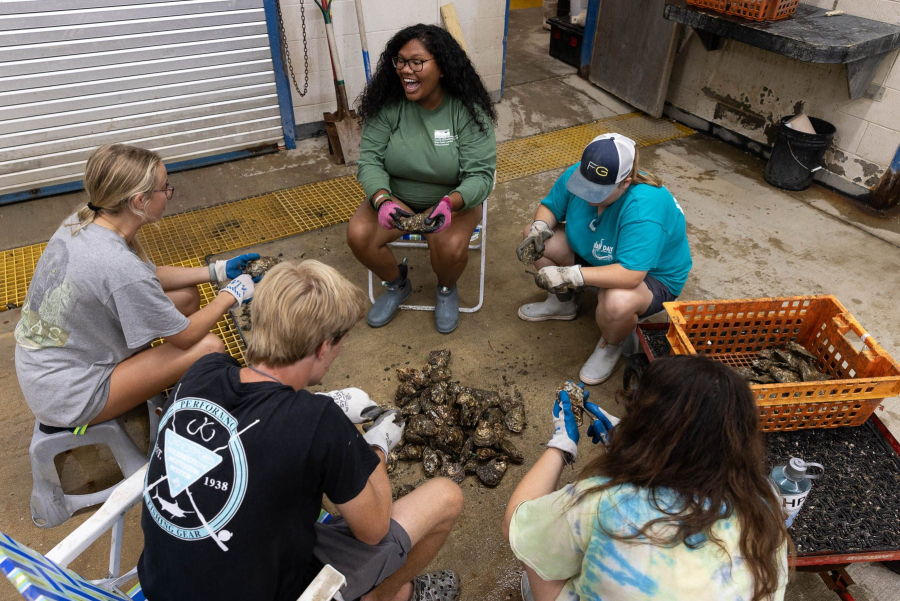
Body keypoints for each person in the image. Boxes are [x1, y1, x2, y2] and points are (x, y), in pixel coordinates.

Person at [139, 260, 464, 601]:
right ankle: (384, 596)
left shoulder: (201, 372)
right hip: (274, 590)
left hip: (164, 585)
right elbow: (373, 529)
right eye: (340, 344)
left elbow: (252, 414)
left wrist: (327, 405)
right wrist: (376, 448)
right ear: (324, 346)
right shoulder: (318, 421)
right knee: (445, 497)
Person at [503, 355, 790, 601]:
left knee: (540, 558)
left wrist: (561, 446)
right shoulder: (765, 501)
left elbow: (516, 523)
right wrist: (631, 449)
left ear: (645, 425)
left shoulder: (606, 503)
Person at [14, 144, 258, 430]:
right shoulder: (118, 265)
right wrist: (231, 295)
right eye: (165, 188)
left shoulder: (84, 219)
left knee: (186, 297)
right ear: (140, 201)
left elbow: (146, 276)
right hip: (70, 395)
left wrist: (215, 271)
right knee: (210, 348)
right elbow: (187, 337)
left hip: (51, 365)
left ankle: (162, 373)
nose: (169, 194)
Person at [348, 23, 497, 334]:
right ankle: (396, 284)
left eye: (417, 62)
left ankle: (445, 288)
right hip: (397, 197)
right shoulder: (388, 106)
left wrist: (450, 203)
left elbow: (481, 175)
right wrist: (381, 199)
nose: (406, 70)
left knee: (451, 247)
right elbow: (369, 161)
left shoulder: (467, 112)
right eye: (400, 61)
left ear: (442, 67)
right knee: (359, 235)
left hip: (451, 200)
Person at [516, 133, 692, 385]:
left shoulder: (645, 207)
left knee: (617, 301)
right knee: (538, 238)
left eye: (599, 190)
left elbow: (631, 274)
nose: (588, 193)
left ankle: (611, 343)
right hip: (597, 254)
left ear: (625, 182)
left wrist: (569, 274)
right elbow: (551, 207)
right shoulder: (584, 172)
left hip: (648, 278)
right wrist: (539, 227)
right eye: (585, 184)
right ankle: (562, 303)